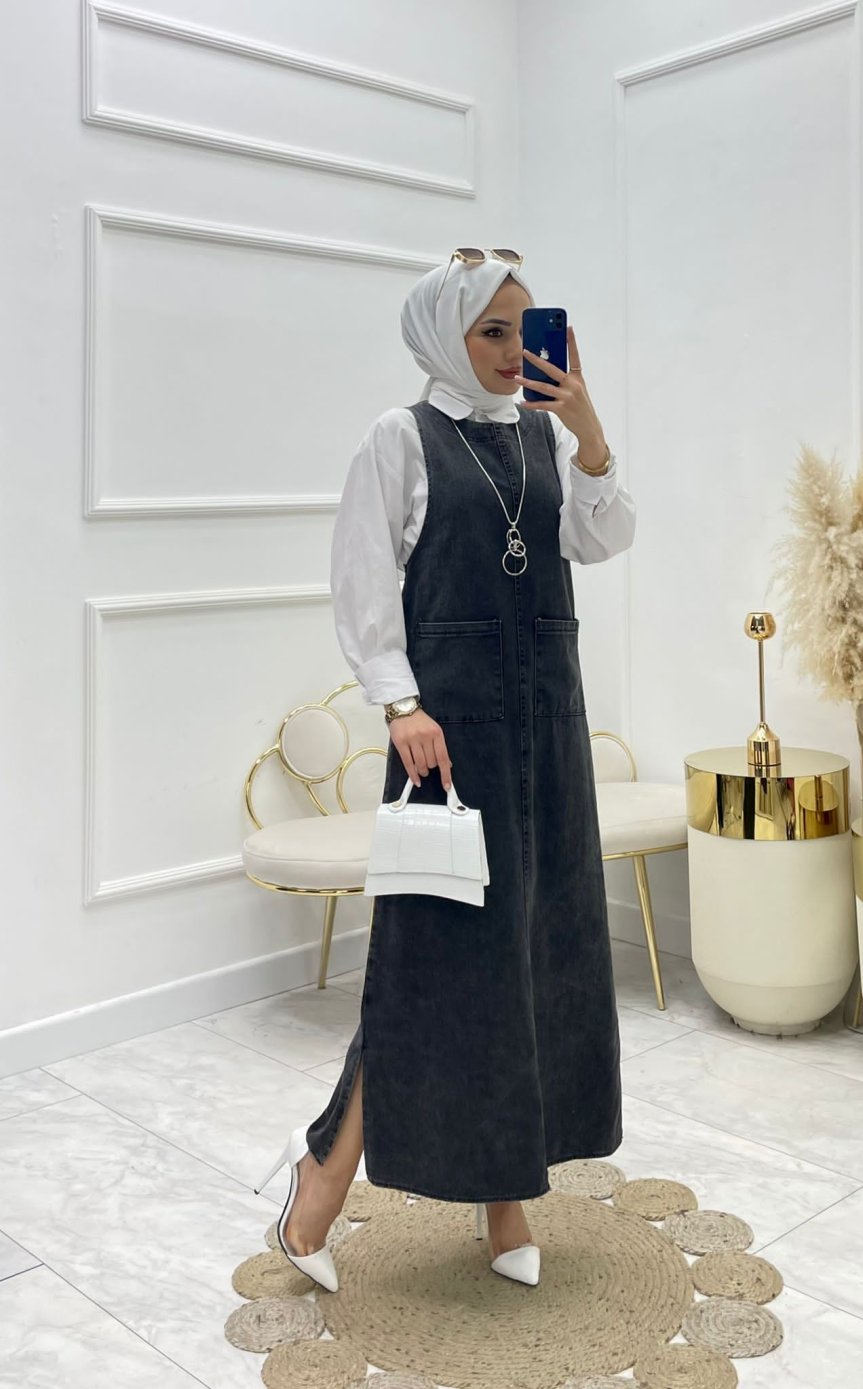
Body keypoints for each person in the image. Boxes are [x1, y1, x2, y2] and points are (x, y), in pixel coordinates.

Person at [254, 248, 637, 1291]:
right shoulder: (401, 437)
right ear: (443, 335)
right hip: (448, 736)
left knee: (539, 950)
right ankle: (320, 1178)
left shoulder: (545, 435)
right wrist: (400, 701)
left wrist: (589, 429)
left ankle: (506, 1196)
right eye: (491, 332)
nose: (514, 352)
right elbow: (362, 576)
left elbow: (603, 539)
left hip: (548, 729)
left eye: (525, 331)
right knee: (430, 964)